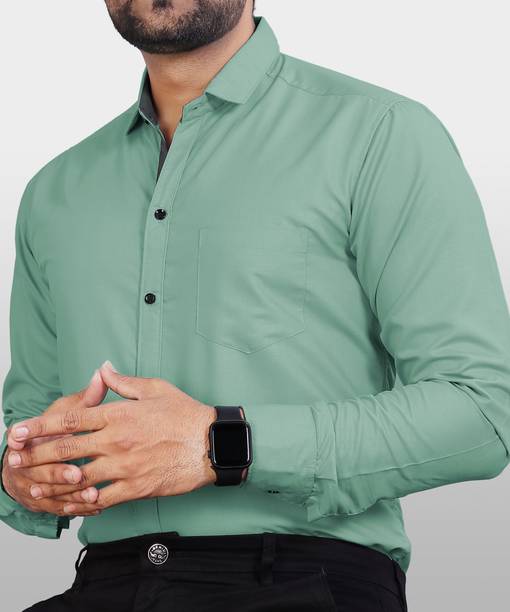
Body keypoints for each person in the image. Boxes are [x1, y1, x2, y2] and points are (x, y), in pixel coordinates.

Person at [1, 1, 509, 610]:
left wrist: (222, 443)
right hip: (105, 581)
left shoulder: (380, 133)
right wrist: (25, 472)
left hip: (302, 579)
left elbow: (482, 412)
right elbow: (25, 418)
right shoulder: (54, 190)